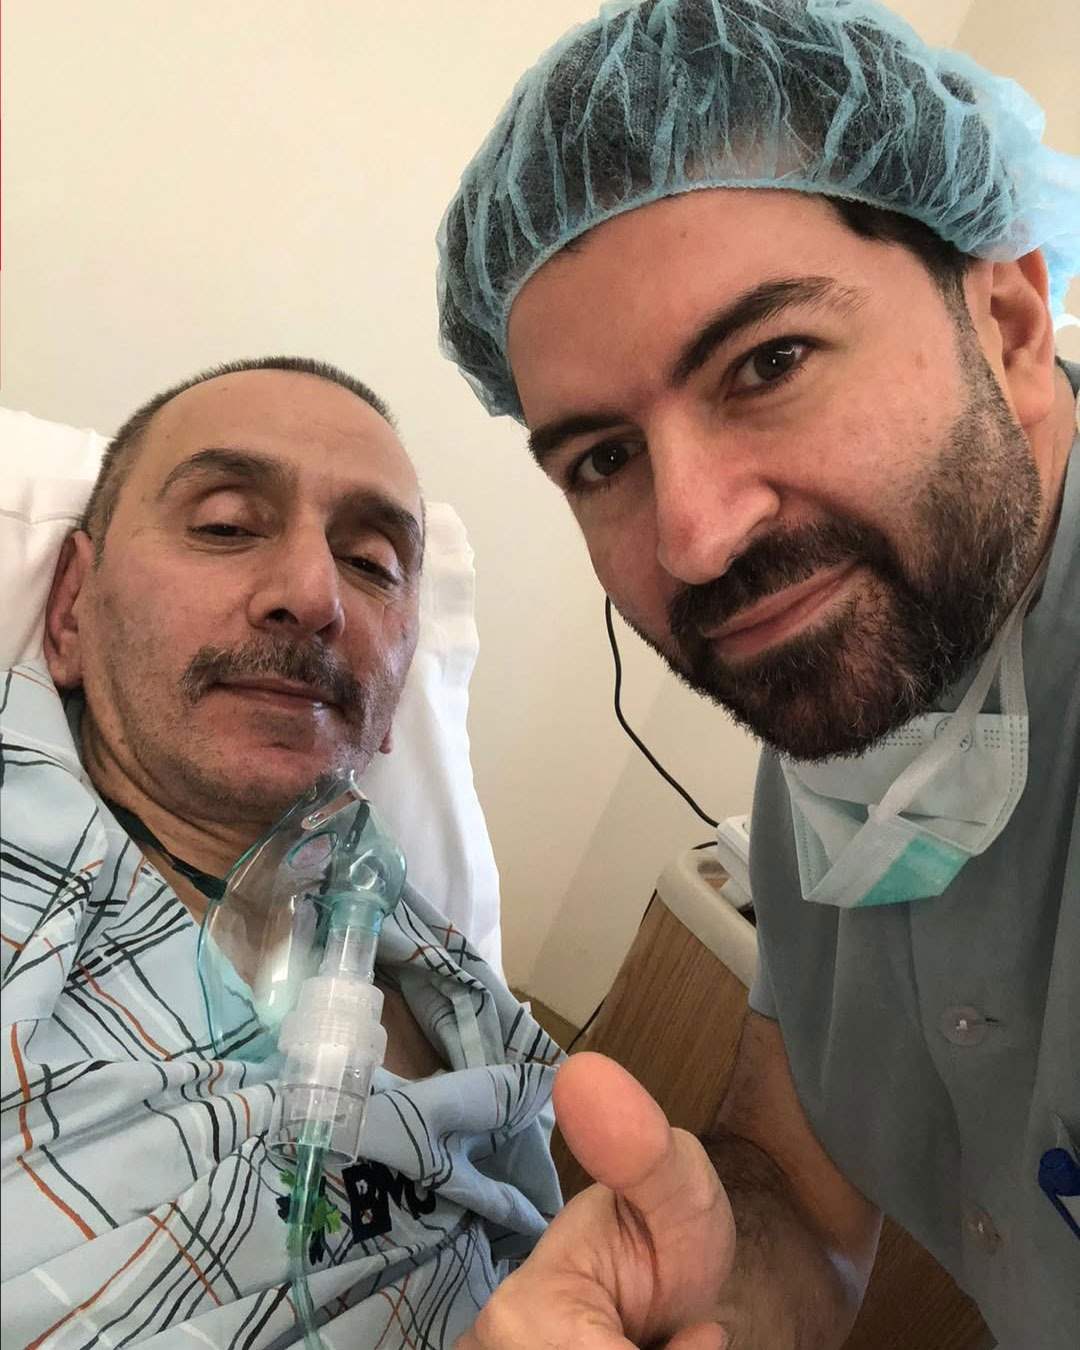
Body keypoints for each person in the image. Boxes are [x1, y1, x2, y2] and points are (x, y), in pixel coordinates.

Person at [436, 1, 1080, 1346]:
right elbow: (802, 1180)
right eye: (602, 458)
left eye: (769, 361)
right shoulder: (856, 719)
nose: (694, 535)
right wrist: (697, 1289)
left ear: (1012, 324)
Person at [0, 357, 562, 1348]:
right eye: (225, 525)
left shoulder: (431, 965)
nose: (313, 594)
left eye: (372, 563)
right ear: (71, 606)